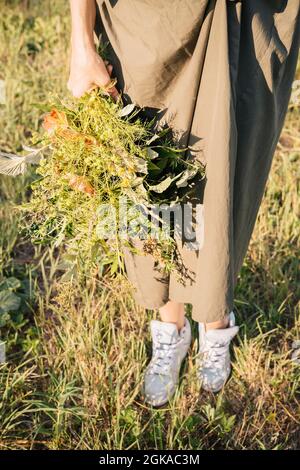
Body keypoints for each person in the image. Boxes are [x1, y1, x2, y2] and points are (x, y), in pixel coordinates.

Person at [67, 0, 300, 406]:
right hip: (149, 23)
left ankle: (215, 320)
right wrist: (81, 42)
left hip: (247, 17)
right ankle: (170, 324)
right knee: (148, 171)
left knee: (229, 169)